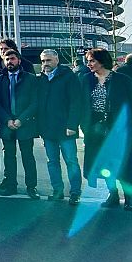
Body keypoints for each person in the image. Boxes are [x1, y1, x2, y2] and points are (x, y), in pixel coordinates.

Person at [82, 48, 132, 211]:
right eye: (88, 60)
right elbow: (82, 105)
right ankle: (112, 194)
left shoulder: (122, 79)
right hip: (96, 128)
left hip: (119, 128)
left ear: (102, 61)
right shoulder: (86, 79)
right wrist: (84, 126)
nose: (89, 64)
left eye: (92, 60)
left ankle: (129, 197)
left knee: (123, 163)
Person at [37, 49, 84, 205]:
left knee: (71, 161)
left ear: (56, 60)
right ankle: (57, 191)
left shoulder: (69, 77)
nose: (45, 64)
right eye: (43, 61)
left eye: (48, 60)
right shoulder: (41, 79)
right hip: (48, 129)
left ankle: (75, 193)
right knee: (52, 162)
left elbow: (77, 102)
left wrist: (72, 125)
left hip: (66, 128)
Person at [0, 48, 41, 199]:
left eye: (12, 59)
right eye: (7, 60)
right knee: (9, 157)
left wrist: (21, 119)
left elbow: (35, 102)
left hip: (24, 123)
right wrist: (7, 120)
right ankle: (11, 185)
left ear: (19, 61)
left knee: (28, 156)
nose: (9, 62)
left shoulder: (30, 78)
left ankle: (31, 187)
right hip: (7, 124)